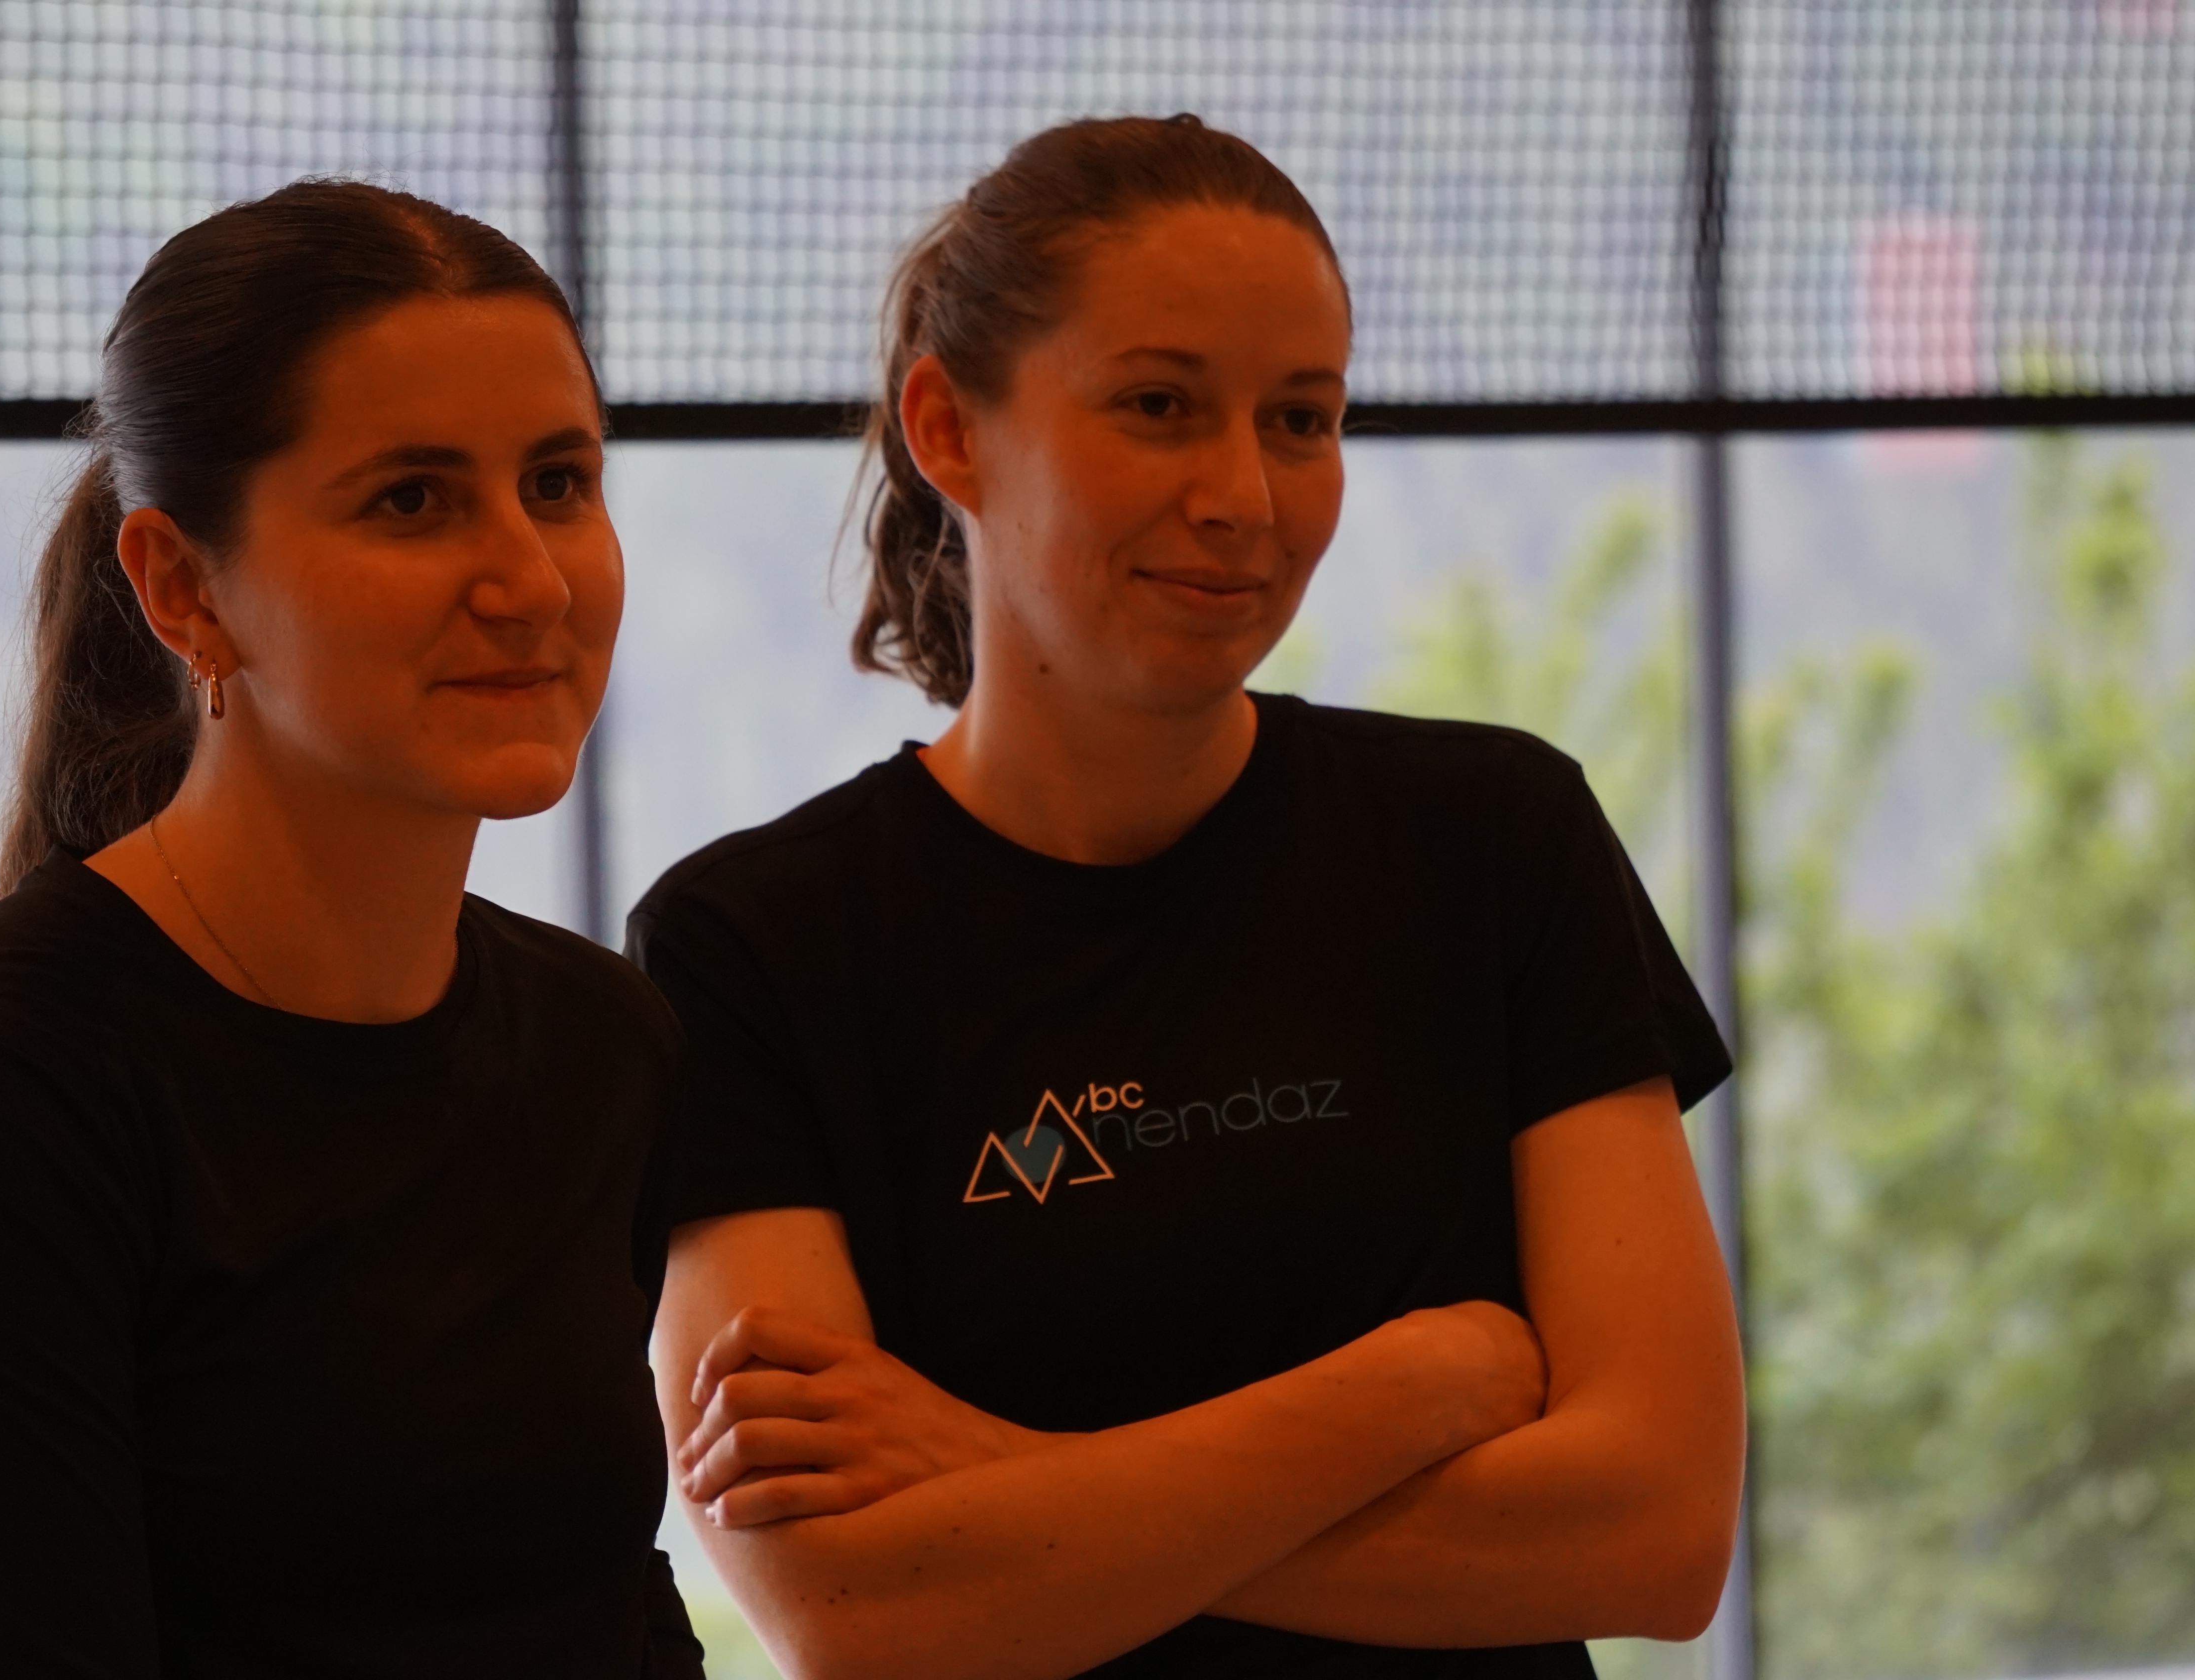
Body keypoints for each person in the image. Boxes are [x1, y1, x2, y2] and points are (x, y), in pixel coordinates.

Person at [627, 116, 1747, 1680]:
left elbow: (1659, 1532)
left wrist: (997, 1473)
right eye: (1159, 407)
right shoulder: (751, 945)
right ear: (949, 430)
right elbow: (858, 1614)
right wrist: (1417, 1385)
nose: (1244, 495)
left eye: (1302, 420)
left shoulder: (1497, 838)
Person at [0, 180, 702, 1678]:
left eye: (560, 482)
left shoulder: (603, 1041)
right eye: (413, 499)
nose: (529, 580)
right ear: (184, 587)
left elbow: (606, 1609)